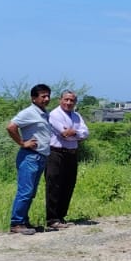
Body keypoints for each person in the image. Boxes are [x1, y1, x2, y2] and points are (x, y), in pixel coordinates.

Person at [4, 84, 54, 234]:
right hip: (30, 156)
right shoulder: (29, 112)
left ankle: (24, 222)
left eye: (48, 96)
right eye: (43, 96)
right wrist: (22, 143)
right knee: (25, 191)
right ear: (34, 98)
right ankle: (16, 223)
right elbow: (11, 127)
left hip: (40, 156)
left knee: (30, 192)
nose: (46, 99)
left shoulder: (44, 113)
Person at [44, 90, 90, 229]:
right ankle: (52, 219)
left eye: (72, 100)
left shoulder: (77, 116)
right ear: (60, 100)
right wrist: (76, 134)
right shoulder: (54, 115)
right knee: (54, 185)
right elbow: (64, 134)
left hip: (71, 153)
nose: (69, 103)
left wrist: (74, 132)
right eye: (66, 99)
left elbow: (85, 133)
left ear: (75, 102)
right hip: (56, 153)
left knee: (68, 184)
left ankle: (61, 216)